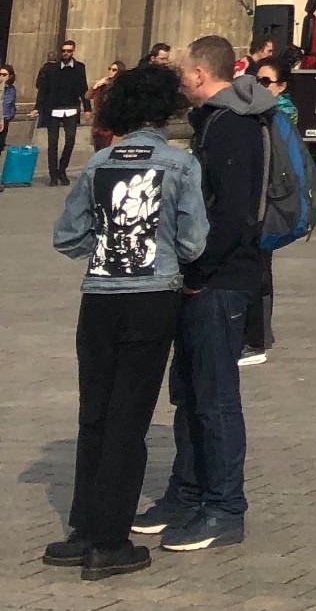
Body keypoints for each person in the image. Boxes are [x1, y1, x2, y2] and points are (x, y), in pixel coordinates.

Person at [46, 62, 209, 576]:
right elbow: (193, 240)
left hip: (99, 295)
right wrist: (158, 252)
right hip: (151, 294)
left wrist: (108, 247)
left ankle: (85, 525)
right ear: (168, 110)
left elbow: (66, 235)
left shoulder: (99, 164)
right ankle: (111, 541)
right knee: (129, 416)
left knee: (94, 411)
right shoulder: (179, 164)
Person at [131, 34, 281, 552]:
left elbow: (232, 215)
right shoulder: (216, 121)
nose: (180, 82)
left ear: (199, 73)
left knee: (215, 398)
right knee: (189, 393)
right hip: (204, 280)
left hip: (221, 282)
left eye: (184, 72)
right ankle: (187, 493)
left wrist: (197, 270)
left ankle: (224, 507)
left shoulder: (232, 126)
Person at [239, 58, 298, 365]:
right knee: (260, 268)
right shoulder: (263, 114)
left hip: (270, 204)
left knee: (259, 269)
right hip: (261, 202)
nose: (258, 86)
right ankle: (260, 333)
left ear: (281, 87)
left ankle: (256, 338)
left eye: (265, 82)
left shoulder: (278, 115)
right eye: (256, 79)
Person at [37, 39, 89, 187]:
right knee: (52, 144)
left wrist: (87, 108)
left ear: (73, 52)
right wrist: (37, 107)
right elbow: (43, 90)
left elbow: (83, 88)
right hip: (53, 109)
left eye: (69, 51)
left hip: (71, 108)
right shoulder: (52, 69)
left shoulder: (79, 68)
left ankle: (62, 169)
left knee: (70, 139)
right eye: (64, 51)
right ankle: (53, 175)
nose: (66, 53)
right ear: (61, 52)